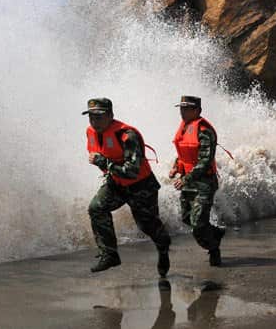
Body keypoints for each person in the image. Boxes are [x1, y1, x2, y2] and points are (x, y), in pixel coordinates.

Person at [84, 98, 171, 275]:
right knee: (96, 208)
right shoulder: (91, 132)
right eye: (91, 117)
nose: (94, 121)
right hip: (116, 183)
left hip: (141, 185)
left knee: (147, 226)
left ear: (110, 115)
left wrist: (103, 162)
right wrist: (105, 166)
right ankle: (109, 254)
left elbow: (131, 171)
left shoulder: (127, 135)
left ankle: (163, 248)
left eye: (99, 117)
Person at [169, 95, 226, 266]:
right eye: (181, 108)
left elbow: (204, 161)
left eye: (187, 109)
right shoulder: (185, 127)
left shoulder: (204, 131)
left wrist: (185, 179)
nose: (182, 112)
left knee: (198, 224)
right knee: (187, 219)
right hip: (188, 181)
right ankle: (216, 232)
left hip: (204, 183)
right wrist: (176, 167)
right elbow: (184, 153)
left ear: (197, 110)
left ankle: (214, 248)